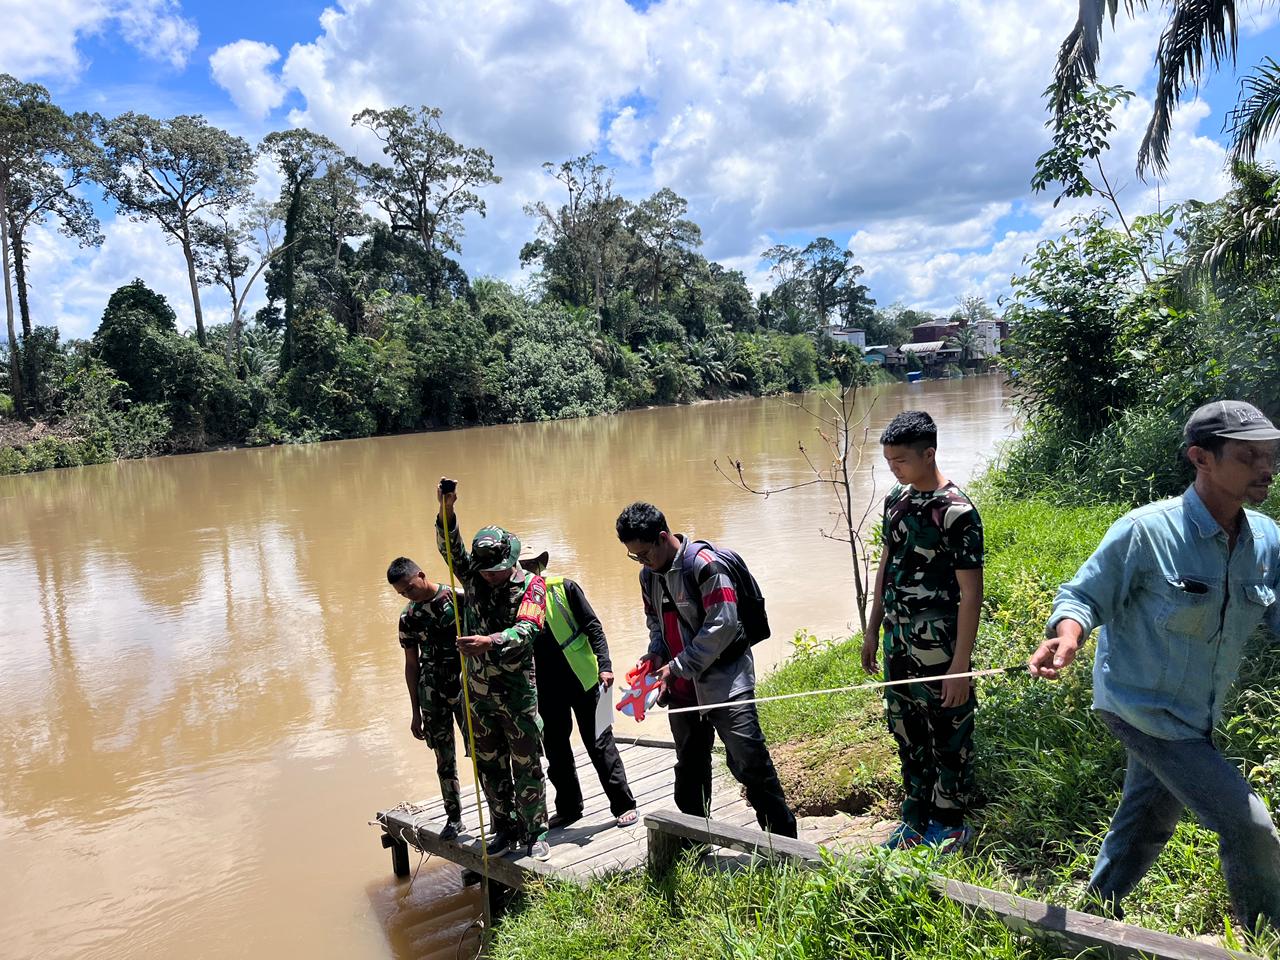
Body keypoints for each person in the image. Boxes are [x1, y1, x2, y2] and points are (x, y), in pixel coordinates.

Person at [1029, 400, 1280, 930]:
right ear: (1201, 458)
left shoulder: (1266, 540)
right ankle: (1267, 937)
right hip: (1138, 705)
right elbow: (1081, 596)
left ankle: (1089, 920)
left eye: (1271, 454)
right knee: (1250, 828)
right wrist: (1067, 636)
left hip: (1196, 711)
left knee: (1147, 817)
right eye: (1249, 455)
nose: (1266, 467)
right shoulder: (1146, 532)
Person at [615, 501, 797, 838]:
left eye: (643, 554)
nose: (641, 562)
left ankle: (785, 845)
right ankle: (694, 843)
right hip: (682, 690)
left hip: (726, 683)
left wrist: (679, 665)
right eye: (634, 557)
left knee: (749, 762)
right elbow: (656, 622)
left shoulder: (705, 566)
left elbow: (723, 624)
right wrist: (654, 655)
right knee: (689, 766)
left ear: (662, 537)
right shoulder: (648, 576)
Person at [861, 410, 984, 851]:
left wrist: (960, 666)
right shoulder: (897, 499)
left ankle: (949, 820)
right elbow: (887, 565)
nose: (894, 469)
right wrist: (873, 629)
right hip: (897, 639)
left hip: (940, 644)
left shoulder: (957, 512)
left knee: (950, 733)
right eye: (890, 461)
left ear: (928, 453)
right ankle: (915, 815)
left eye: (901, 461)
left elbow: (971, 593)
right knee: (906, 729)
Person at [435, 479, 552, 862]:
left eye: (496, 570)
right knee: (490, 766)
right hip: (479, 695)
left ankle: (535, 832)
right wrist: (447, 510)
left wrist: (490, 641)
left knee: (526, 763)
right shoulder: (473, 577)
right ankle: (505, 829)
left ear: (511, 561)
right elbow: (449, 549)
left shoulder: (532, 585)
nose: (489, 576)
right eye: (484, 571)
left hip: (517, 692)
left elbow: (529, 628)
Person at [520, 551, 638, 828]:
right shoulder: (514, 602)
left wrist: (605, 666)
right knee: (556, 749)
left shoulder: (564, 588)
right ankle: (569, 808)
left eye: (529, 565)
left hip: (583, 679)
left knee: (600, 743)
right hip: (545, 689)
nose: (525, 571)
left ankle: (623, 805)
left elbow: (593, 627)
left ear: (540, 566)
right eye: (520, 567)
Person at [386, 557, 467, 840]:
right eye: (402, 593)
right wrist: (415, 711)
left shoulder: (458, 599)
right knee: (444, 760)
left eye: (409, 588)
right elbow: (411, 663)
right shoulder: (408, 617)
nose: (409, 595)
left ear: (421, 575)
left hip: (465, 687)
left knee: (484, 753)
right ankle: (454, 817)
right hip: (431, 693)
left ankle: (500, 815)